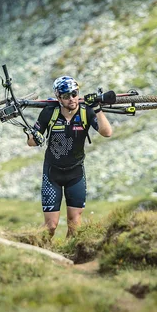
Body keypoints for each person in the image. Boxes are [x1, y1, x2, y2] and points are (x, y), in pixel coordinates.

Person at [26, 76, 113, 238]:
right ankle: (42, 252)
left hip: (76, 173)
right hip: (52, 174)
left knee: (75, 224)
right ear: (59, 98)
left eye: (74, 94)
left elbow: (107, 132)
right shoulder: (49, 113)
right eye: (66, 96)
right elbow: (31, 142)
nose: (72, 99)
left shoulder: (86, 111)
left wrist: (97, 109)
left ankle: (69, 256)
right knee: (50, 226)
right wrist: (35, 137)